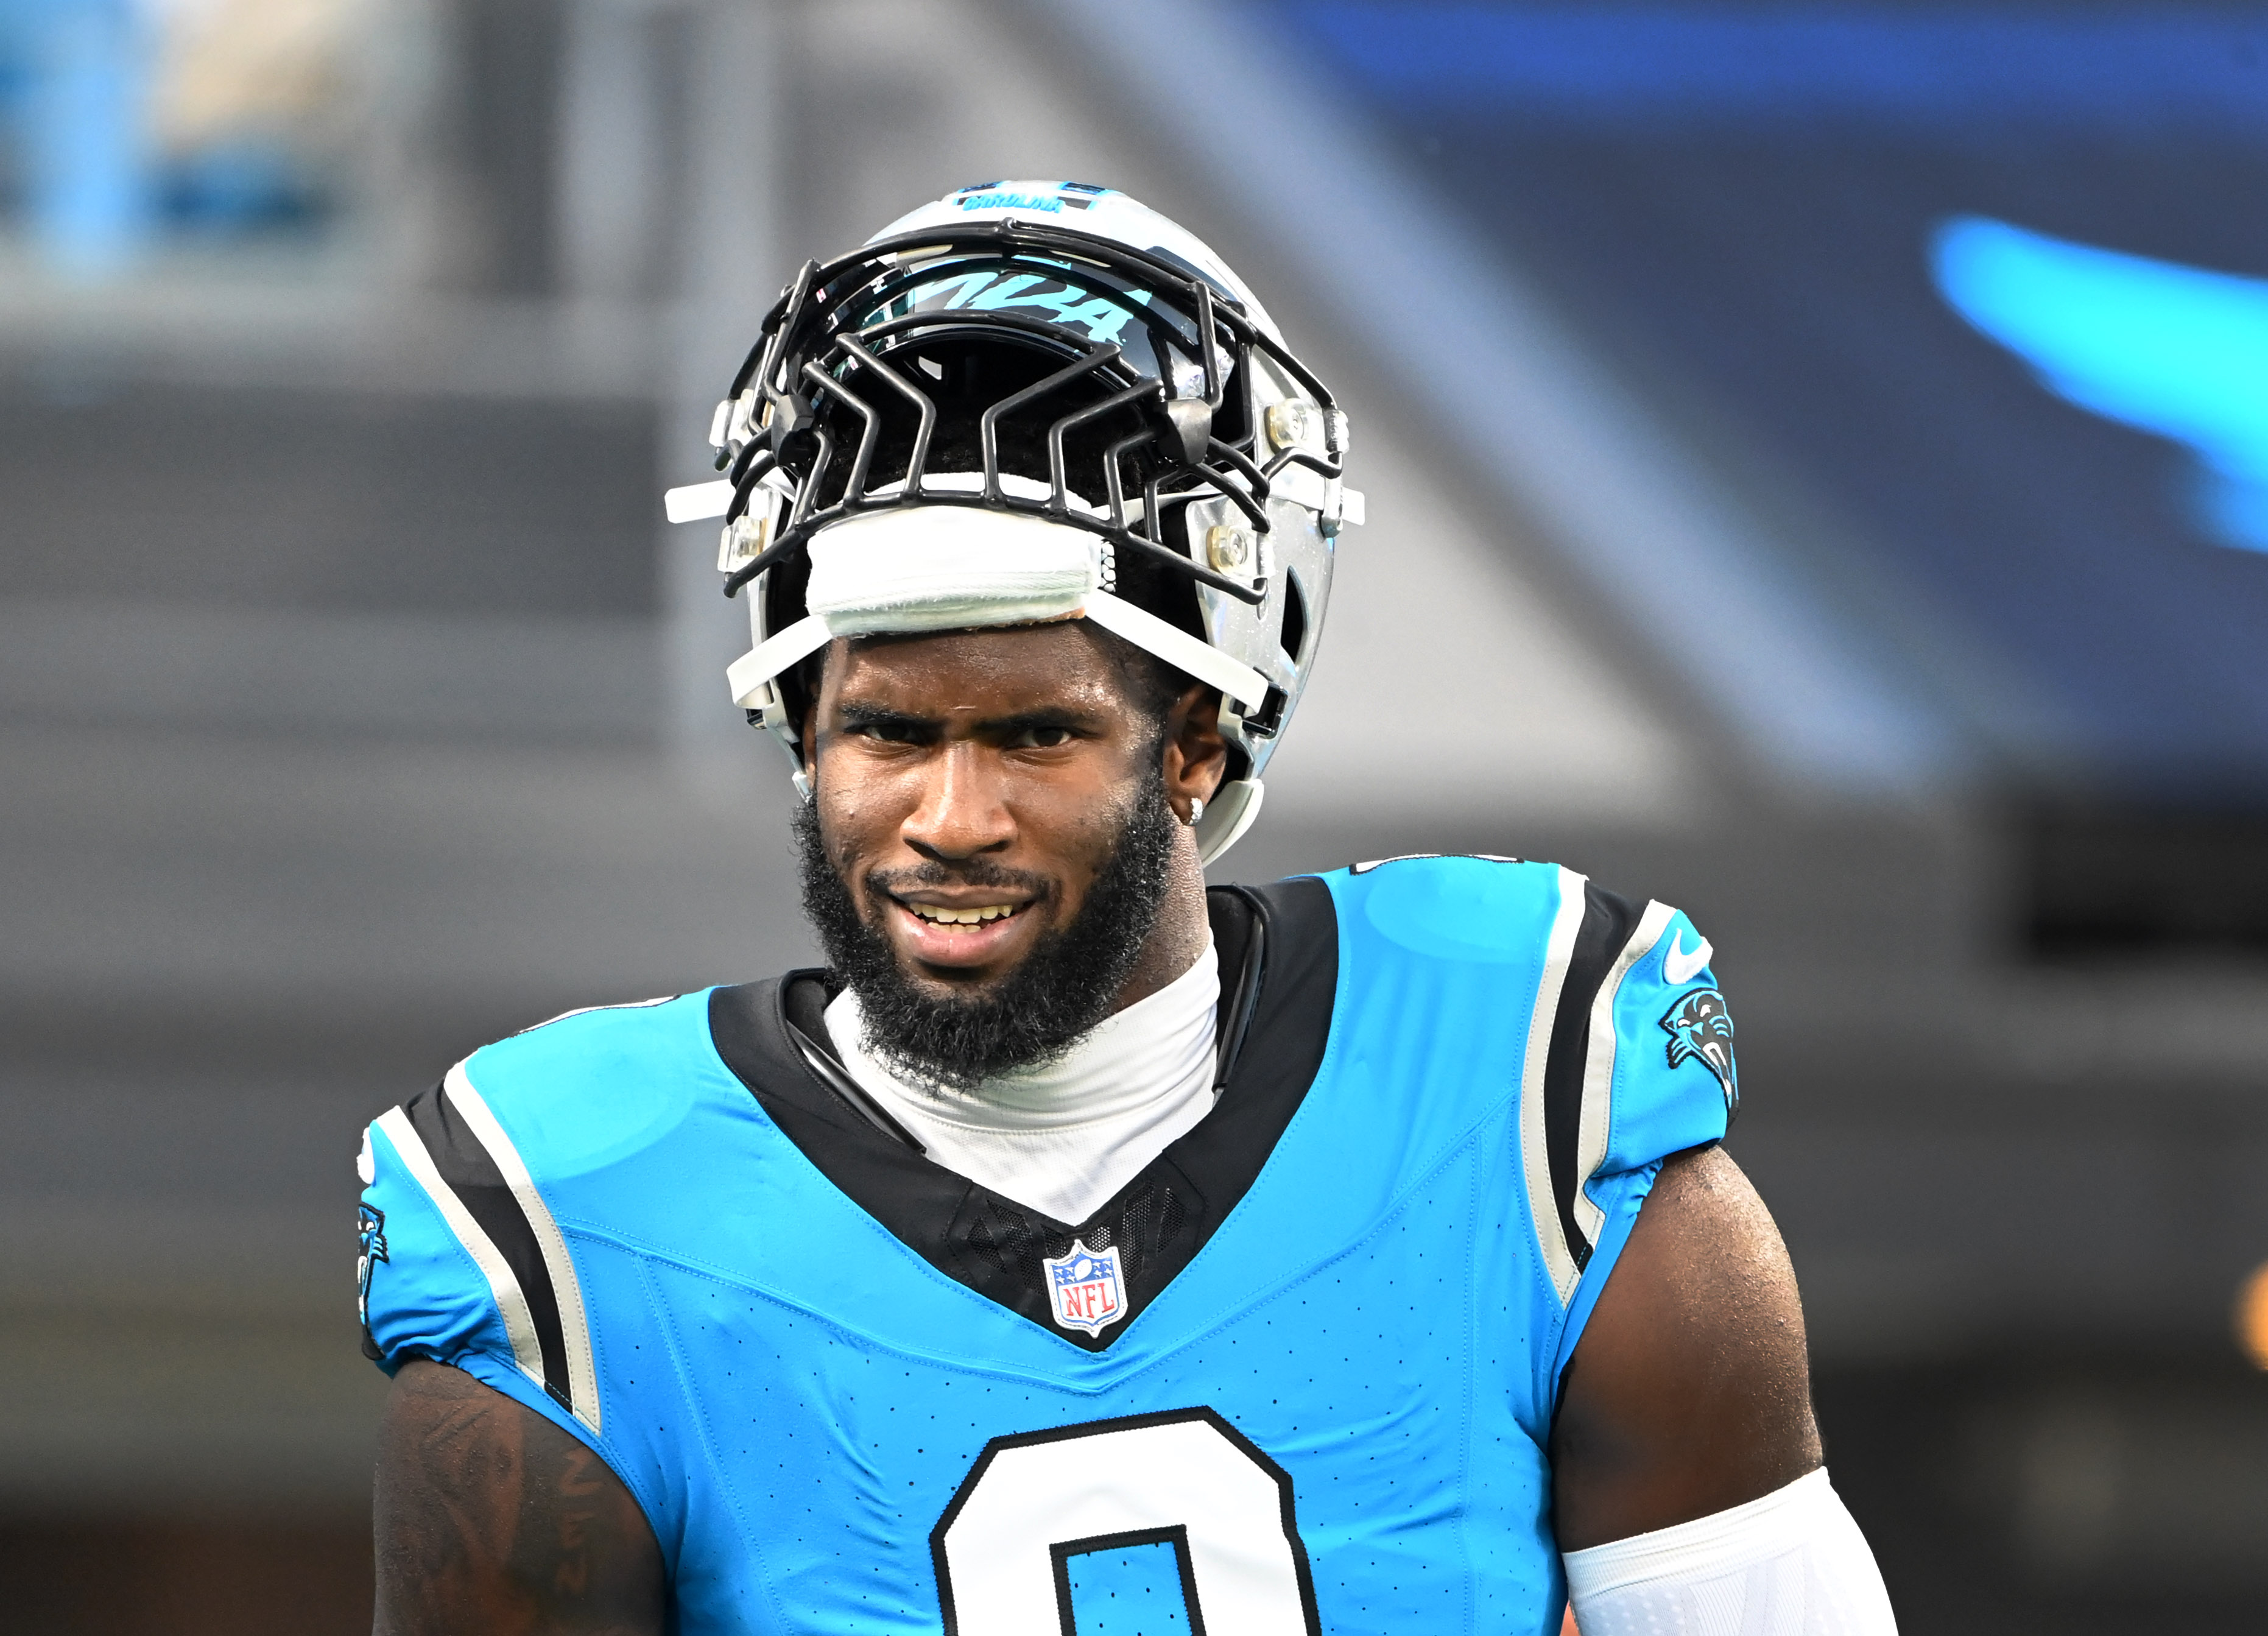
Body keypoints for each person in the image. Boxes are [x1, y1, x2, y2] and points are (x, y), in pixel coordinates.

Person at [356, 182, 1898, 1636]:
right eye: (891, 730)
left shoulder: (1514, 1088)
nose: (950, 821)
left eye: (1036, 734)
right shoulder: (580, 1208)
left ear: (1198, 740)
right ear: (798, 728)